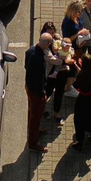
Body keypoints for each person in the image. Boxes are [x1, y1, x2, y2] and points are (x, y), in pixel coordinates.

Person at [26, 25, 58, 153]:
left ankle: (35, 132)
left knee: (32, 112)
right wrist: (42, 94)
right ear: (47, 44)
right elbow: (39, 80)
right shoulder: (39, 59)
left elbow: (26, 66)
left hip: (29, 86)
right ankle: (33, 144)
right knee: (36, 116)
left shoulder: (31, 50)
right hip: (36, 91)